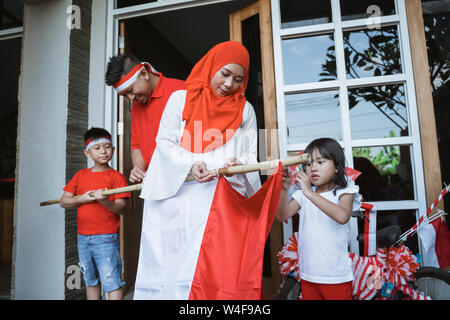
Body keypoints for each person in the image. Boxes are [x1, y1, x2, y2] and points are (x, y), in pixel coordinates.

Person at [133, 41, 263, 299]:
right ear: (211, 66)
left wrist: (239, 167)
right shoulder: (180, 99)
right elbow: (164, 143)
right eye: (225, 74)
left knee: (212, 275)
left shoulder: (246, 110)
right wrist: (190, 165)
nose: (229, 85)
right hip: (176, 203)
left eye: (238, 79)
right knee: (169, 275)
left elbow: (250, 158)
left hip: (220, 204)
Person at [276, 138, 362, 300]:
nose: (313, 168)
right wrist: (284, 188)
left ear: (337, 167)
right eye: (308, 164)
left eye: (320, 162)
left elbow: (342, 216)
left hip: (336, 276)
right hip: (308, 274)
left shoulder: (345, 191)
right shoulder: (303, 193)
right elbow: (282, 215)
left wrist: (309, 192)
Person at [59, 127, 131, 300]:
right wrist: (83, 199)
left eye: (107, 147)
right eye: (97, 148)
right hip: (83, 238)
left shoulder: (117, 177)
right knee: (90, 281)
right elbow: (64, 201)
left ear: (113, 150)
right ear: (87, 153)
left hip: (106, 238)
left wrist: (104, 201)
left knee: (112, 280)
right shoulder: (80, 175)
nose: (103, 151)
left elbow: (122, 208)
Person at [105, 54, 185, 183]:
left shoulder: (181, 91)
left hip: (187, 180)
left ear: (144, 74)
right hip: (156, 182)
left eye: (130, 90)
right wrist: (138, 169)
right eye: (124, 95)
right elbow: (137, 145)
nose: (130, 98)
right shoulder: (136, 108)